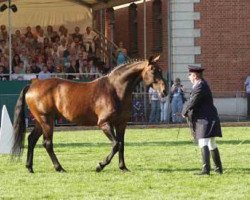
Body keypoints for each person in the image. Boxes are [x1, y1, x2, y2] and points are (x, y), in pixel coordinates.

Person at [182, 65, 223, 175]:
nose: (188, 77)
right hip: (207, 117)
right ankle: (218, 169)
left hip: (205, 119)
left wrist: (184, 112)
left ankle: (206, 170)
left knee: (204, 142)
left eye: (190, 75)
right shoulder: (200, 85)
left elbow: (193, 101)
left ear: (195, 76)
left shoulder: (200, 86)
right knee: (211, 143)